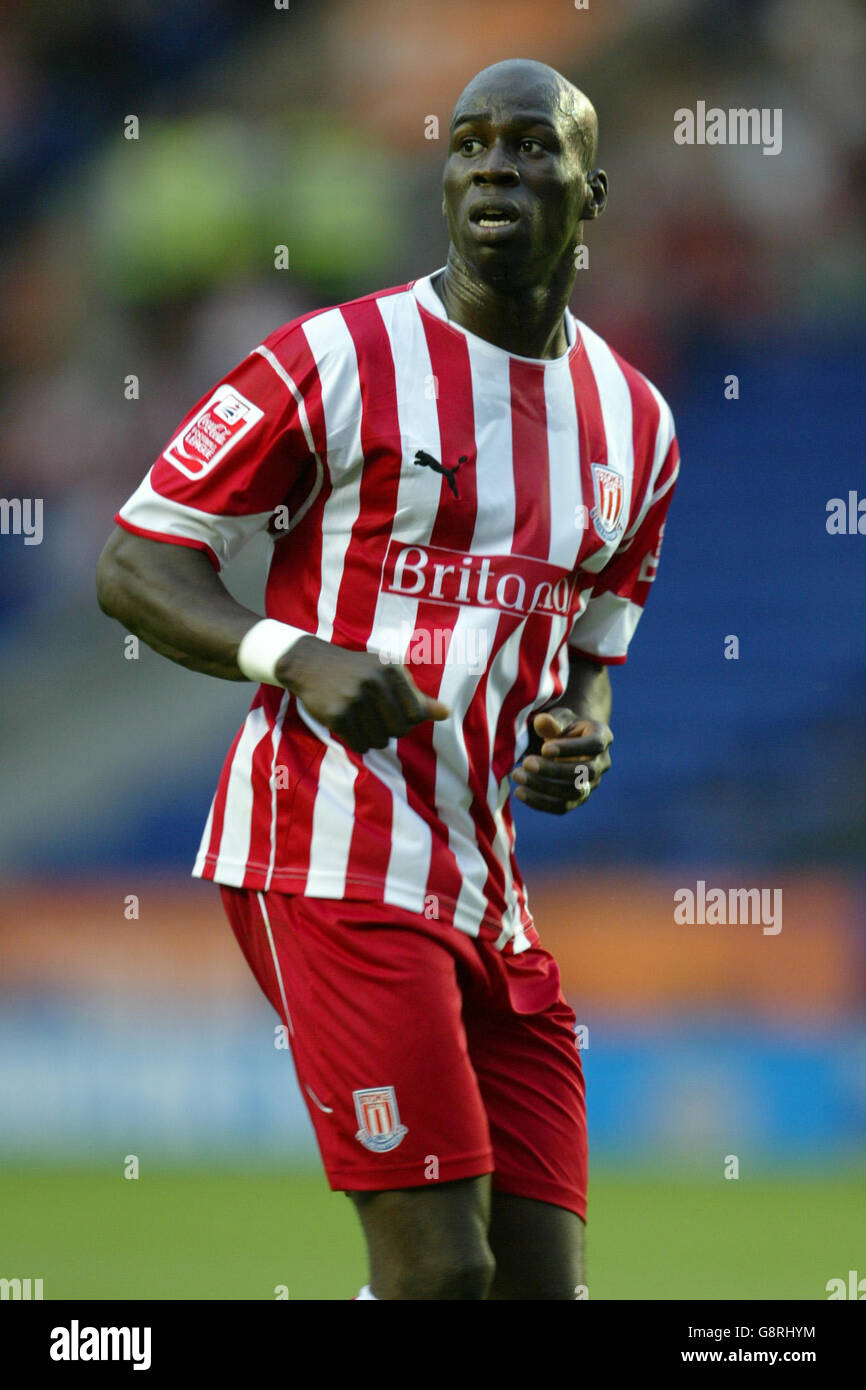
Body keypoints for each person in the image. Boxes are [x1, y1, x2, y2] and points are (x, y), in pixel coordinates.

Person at [96, 58, 680, 1300]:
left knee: (539, 1289)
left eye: (531, 148)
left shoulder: (637, 424)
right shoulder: (338, 354)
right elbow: (139, 555)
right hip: (327, 852)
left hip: (487, 887)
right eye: (470, 145)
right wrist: (291, 653)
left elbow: (591, 658)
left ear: (593, 190)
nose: (494, 169)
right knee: (437, 1275)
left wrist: (579, 731)